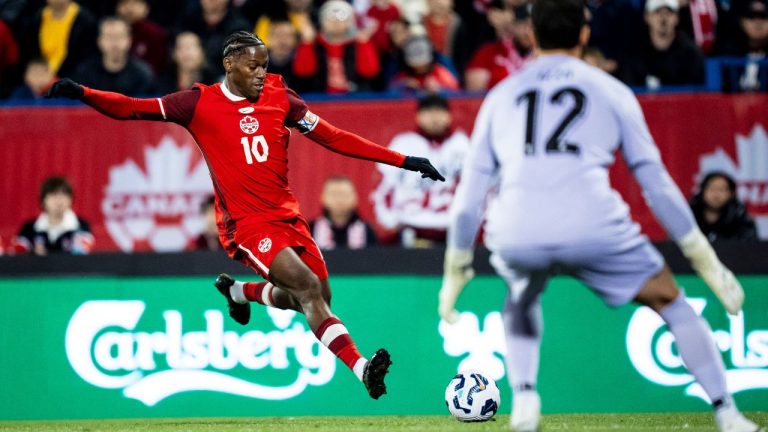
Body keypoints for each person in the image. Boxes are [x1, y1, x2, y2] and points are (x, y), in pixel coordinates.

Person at [46, 30, 445, 399]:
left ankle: (240, 292)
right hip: (246, 225)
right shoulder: (197, 103)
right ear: (229, 63)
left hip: (287, 217)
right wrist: (83, 92)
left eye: (264, 66)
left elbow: (332, 136)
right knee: (307, 288)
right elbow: (132, 109)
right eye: (253, 66)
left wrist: (403, 160)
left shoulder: (280, 96)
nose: (260, 74)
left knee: (317, 297)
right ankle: (362, 369)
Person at [437, 1, 761, 431]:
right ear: (585, 34)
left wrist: (456, 266)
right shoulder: (611, 91)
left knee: (521, 295)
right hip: (591, 221)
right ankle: (727, 413)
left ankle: (526, 398)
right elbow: (656, 185)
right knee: (671, 301)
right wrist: (704, 258)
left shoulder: (501, 96)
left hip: (518, 226)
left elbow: (469, 196)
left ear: (531, 34)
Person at [372, 94, 468, 246]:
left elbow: (478, 187)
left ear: (448, 116)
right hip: (412, 228)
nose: (434, 117)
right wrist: (389, 220)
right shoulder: (403, 143)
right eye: (428, 112)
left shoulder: (462, 145)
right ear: (418, 116)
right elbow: (384, 185)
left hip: (452, 229)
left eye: (439, 111)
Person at [293, 0, 380, 93]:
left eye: (342, 17)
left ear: (350, 22)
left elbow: (370, 71)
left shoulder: (358, 42)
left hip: (353, 97)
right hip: (320, 97)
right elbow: (303, 71)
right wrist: (307, 43)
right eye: (331, 17)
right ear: (322, 20)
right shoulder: (313, 42)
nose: (336, 22)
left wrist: (364, 44)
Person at [619, 0, 705, 88]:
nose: (663, 19)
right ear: (647, 17)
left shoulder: (691, 55)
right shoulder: (633, 53)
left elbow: (697, 91)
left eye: (669, 13)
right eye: (657, 12)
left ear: (677, 17)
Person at [72, 16, 156, 96]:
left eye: (119, 36)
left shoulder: (143, 74)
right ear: (99, 41)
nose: (115, 43)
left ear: (129, 40)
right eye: (109, 37)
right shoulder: (85, 72)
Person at [464, 1, 533, 91]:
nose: (527, 32)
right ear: (513, 26)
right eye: (523, 25)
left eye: (532, 27)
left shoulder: (545, 56)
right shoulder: (489, 52)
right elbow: (474, 92)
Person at [16, 176, 93, 255]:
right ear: (43, 200)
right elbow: (19, 256)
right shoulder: (29, 228)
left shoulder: (81, 227)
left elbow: (81, 256)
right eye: (53, 195)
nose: (59, 201)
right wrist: (35, 256)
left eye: (64, 195)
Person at [309, 176, 378, 250]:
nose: (339, 200)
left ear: (355, 198)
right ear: (323, 197)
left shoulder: (367, 231)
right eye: (334, 195)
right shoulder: (310, 230)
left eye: (345, 194)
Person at [690, 171, 758, 242]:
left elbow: (750, 247)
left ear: (731, 194)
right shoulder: (690, 218)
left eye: (721, 190)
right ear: (702, 191)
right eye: (711, 189)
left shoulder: (743, 222)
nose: (716, 195)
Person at [115, 0, 169, 75]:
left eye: (136, 3)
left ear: (146, 8)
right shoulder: (108, 31)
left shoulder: (156, 34)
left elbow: (159, 67)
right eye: (125, 2)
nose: (129, 9)